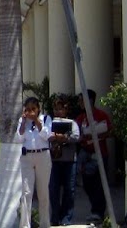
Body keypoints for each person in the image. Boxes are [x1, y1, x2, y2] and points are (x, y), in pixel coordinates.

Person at [76, 90, 112, 224]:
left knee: (99, 184)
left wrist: (97, 135)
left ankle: (98, 212)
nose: (79, 103)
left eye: (81, 100)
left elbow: (109, 131)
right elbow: (76, 133)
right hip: (85, 153)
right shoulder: (80, 118)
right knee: (87, 183)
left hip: (99, 154)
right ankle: (95, 208)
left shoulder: (101, 115)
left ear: (89, 101)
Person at [16, 96, 53, 228]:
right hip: (27, 157)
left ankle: (44, 223)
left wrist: (36, 120)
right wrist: (23, 122)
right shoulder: (22, 121)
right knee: (26, 192)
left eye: (33, 109)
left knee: (43, 191)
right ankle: (25, 225)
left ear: (38, 109)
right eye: (28, 109)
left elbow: (46, 135)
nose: (31, 111)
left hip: (43, 156)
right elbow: (19, 138)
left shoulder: (46, 119)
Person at [48, 96, 81, 226]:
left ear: (65, 110)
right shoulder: (50, 122)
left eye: (60, 109)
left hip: (69, 161)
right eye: (55, 109)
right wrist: (56, 137)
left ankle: (66, 217)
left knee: (69, 190)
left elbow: (76, 137)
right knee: (54, 189)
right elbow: (46, 136)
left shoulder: (72, 123)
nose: (57, 112)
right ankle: (55, 217)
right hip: (54, 160)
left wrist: (63, 137)